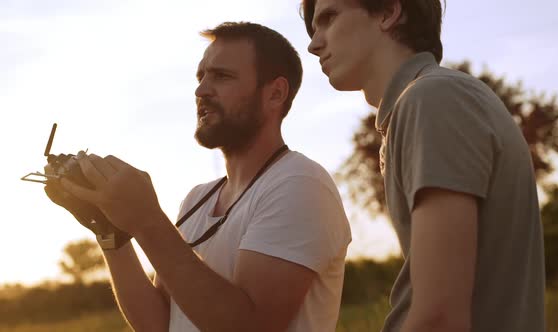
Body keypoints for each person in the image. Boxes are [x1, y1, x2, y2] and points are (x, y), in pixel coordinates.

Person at [46, 21, 351, 332]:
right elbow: (159, 324)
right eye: (201, 76)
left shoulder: (300, 184)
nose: (201, 90)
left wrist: (147, 221)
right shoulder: (197, 199)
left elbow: (251, 326)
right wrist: (111, 232)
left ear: (275, 94)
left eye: (222, 76)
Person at [300, 1, 546, 331]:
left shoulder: (431, 99)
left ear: (387, 12)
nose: (314, 44)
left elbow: (439, 318)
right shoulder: (424, 102)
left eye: (329, 18)